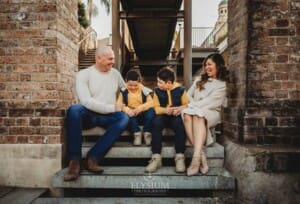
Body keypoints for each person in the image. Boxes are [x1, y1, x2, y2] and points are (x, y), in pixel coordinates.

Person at [64, 46, 129, 181]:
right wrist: (112, 107)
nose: (113, 62)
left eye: (113, 59)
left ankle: (93, 157)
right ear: (98, 58)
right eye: (110, 59)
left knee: (124, 117)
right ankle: (74, 161)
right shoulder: (83, 74)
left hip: (108, 117)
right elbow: (86, 102)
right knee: (74, 110)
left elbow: (126, 89)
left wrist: (151, 92)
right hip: (90, 115)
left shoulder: (115, 73)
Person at [182, 53, 228, 176]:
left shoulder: (222, 84)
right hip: (194, 109)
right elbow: (187, 96)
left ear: (218, 65)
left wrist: (191, 105)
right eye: (205, 65)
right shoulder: (198, 80)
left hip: (212, 112)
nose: (207, 67)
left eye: (209, 64)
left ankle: (195, 158)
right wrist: (191, 105)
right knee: (186, 114)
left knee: (197, 115)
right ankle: (201, 156)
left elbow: (211, 103)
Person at [145, 66, 189, 173]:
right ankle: (156, 157)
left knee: (179, 125)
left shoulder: (181, 90)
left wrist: (179, 109)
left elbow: (187, 104)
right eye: (158, 81)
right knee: (156, 123)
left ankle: (179, 156)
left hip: (176, 115)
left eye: (160, 82)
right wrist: (166, 110)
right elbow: (156, 107)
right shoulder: (156, 91)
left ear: (169, 83)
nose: (157, 84)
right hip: (163, 114)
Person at [117, 70, 155, 146]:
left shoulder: (144, 90)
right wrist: (127, 110)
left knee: (151, 111)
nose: (133, 87)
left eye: (136, 85)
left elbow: (151, 103)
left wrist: (140, 108)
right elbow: (119, 104)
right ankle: (137, 134)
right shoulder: (123, 91)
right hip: (131, 115)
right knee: (126, 115)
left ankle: (147, 133)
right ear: (126, 81)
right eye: (130, 85)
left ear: (140, 82)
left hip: (142, 113)